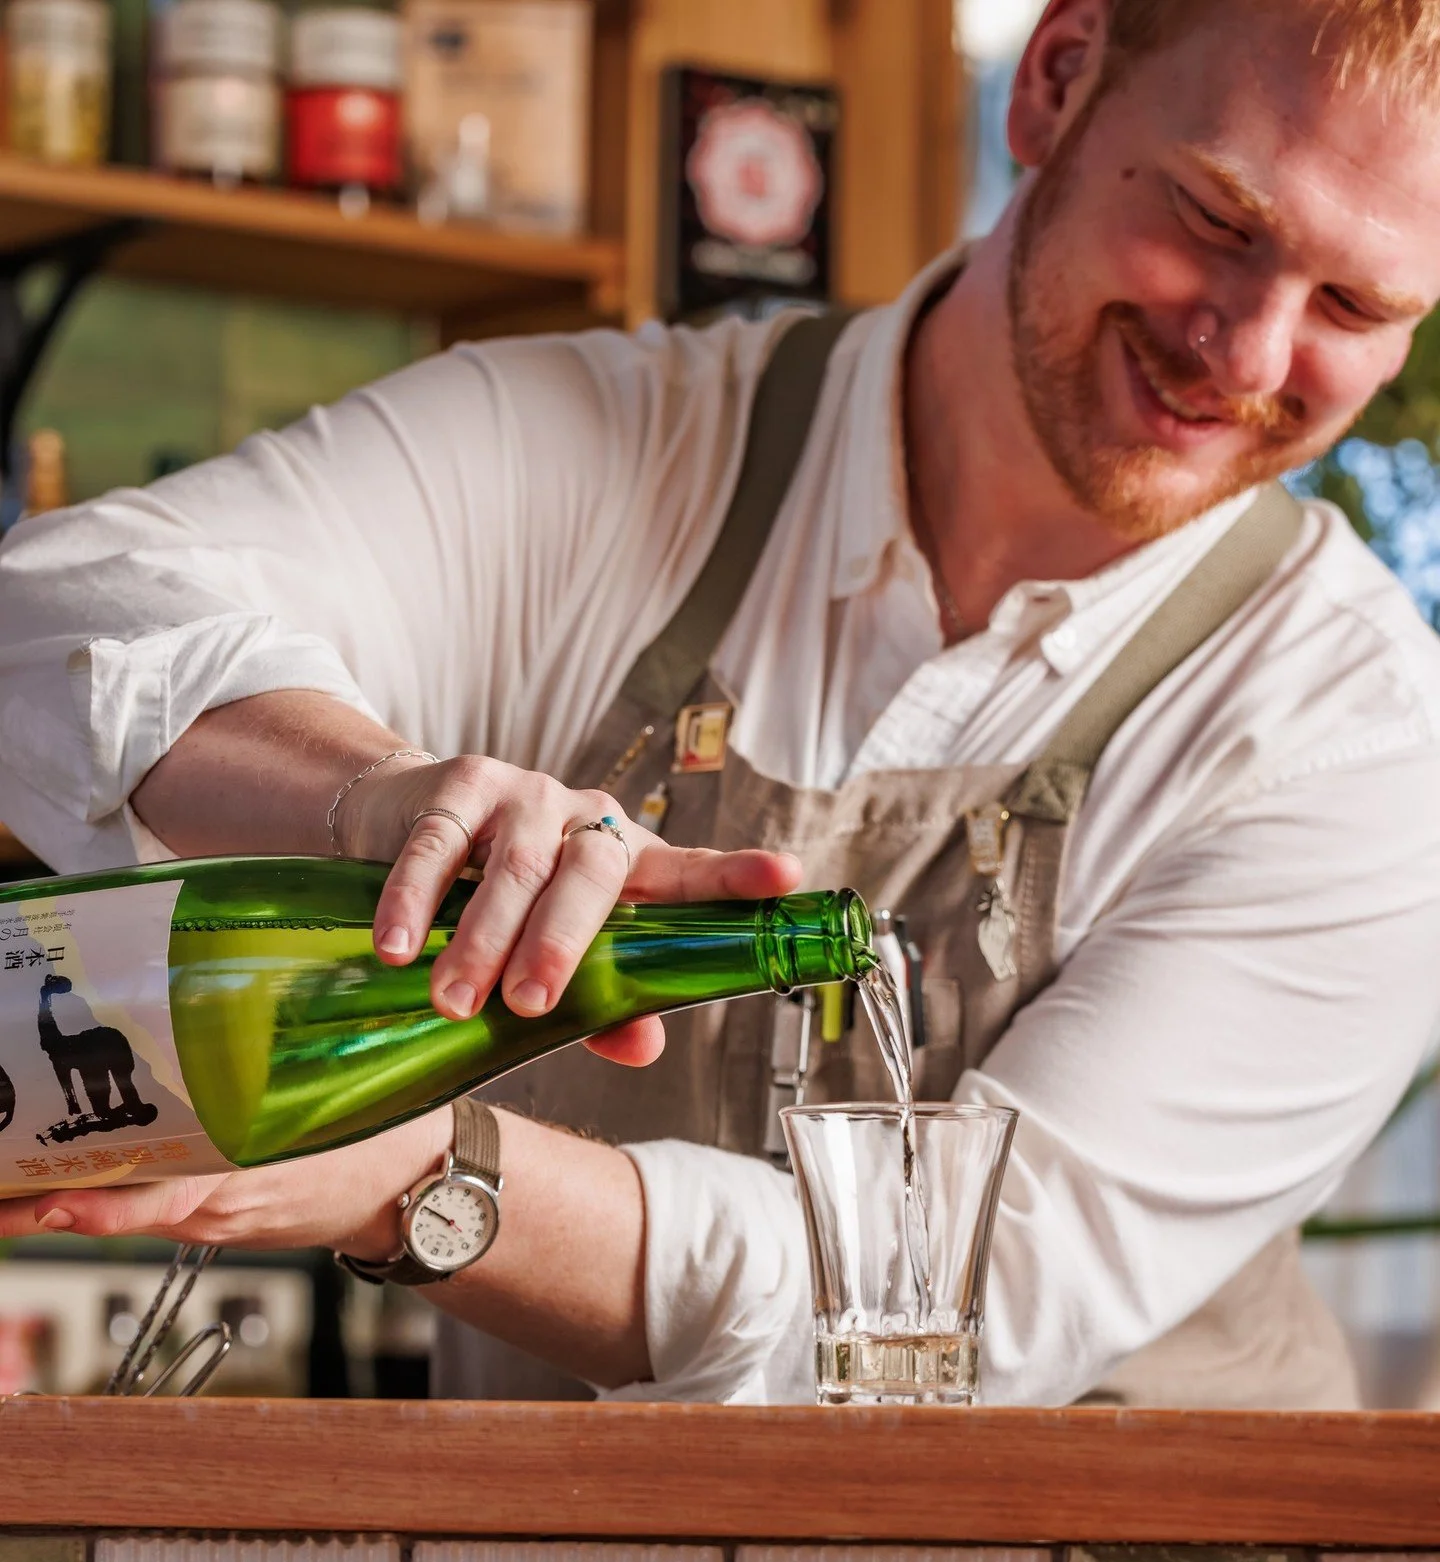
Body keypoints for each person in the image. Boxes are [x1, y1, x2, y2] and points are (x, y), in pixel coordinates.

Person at [3, 0, 1440, 1407]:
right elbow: (52, 604)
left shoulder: (1357, 739)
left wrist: (418, 1172)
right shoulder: (602, 449)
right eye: (1217, 220)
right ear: (1056, 80)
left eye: (1357, 305)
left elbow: (968, 1310)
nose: (1246, 353)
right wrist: (370, 793)